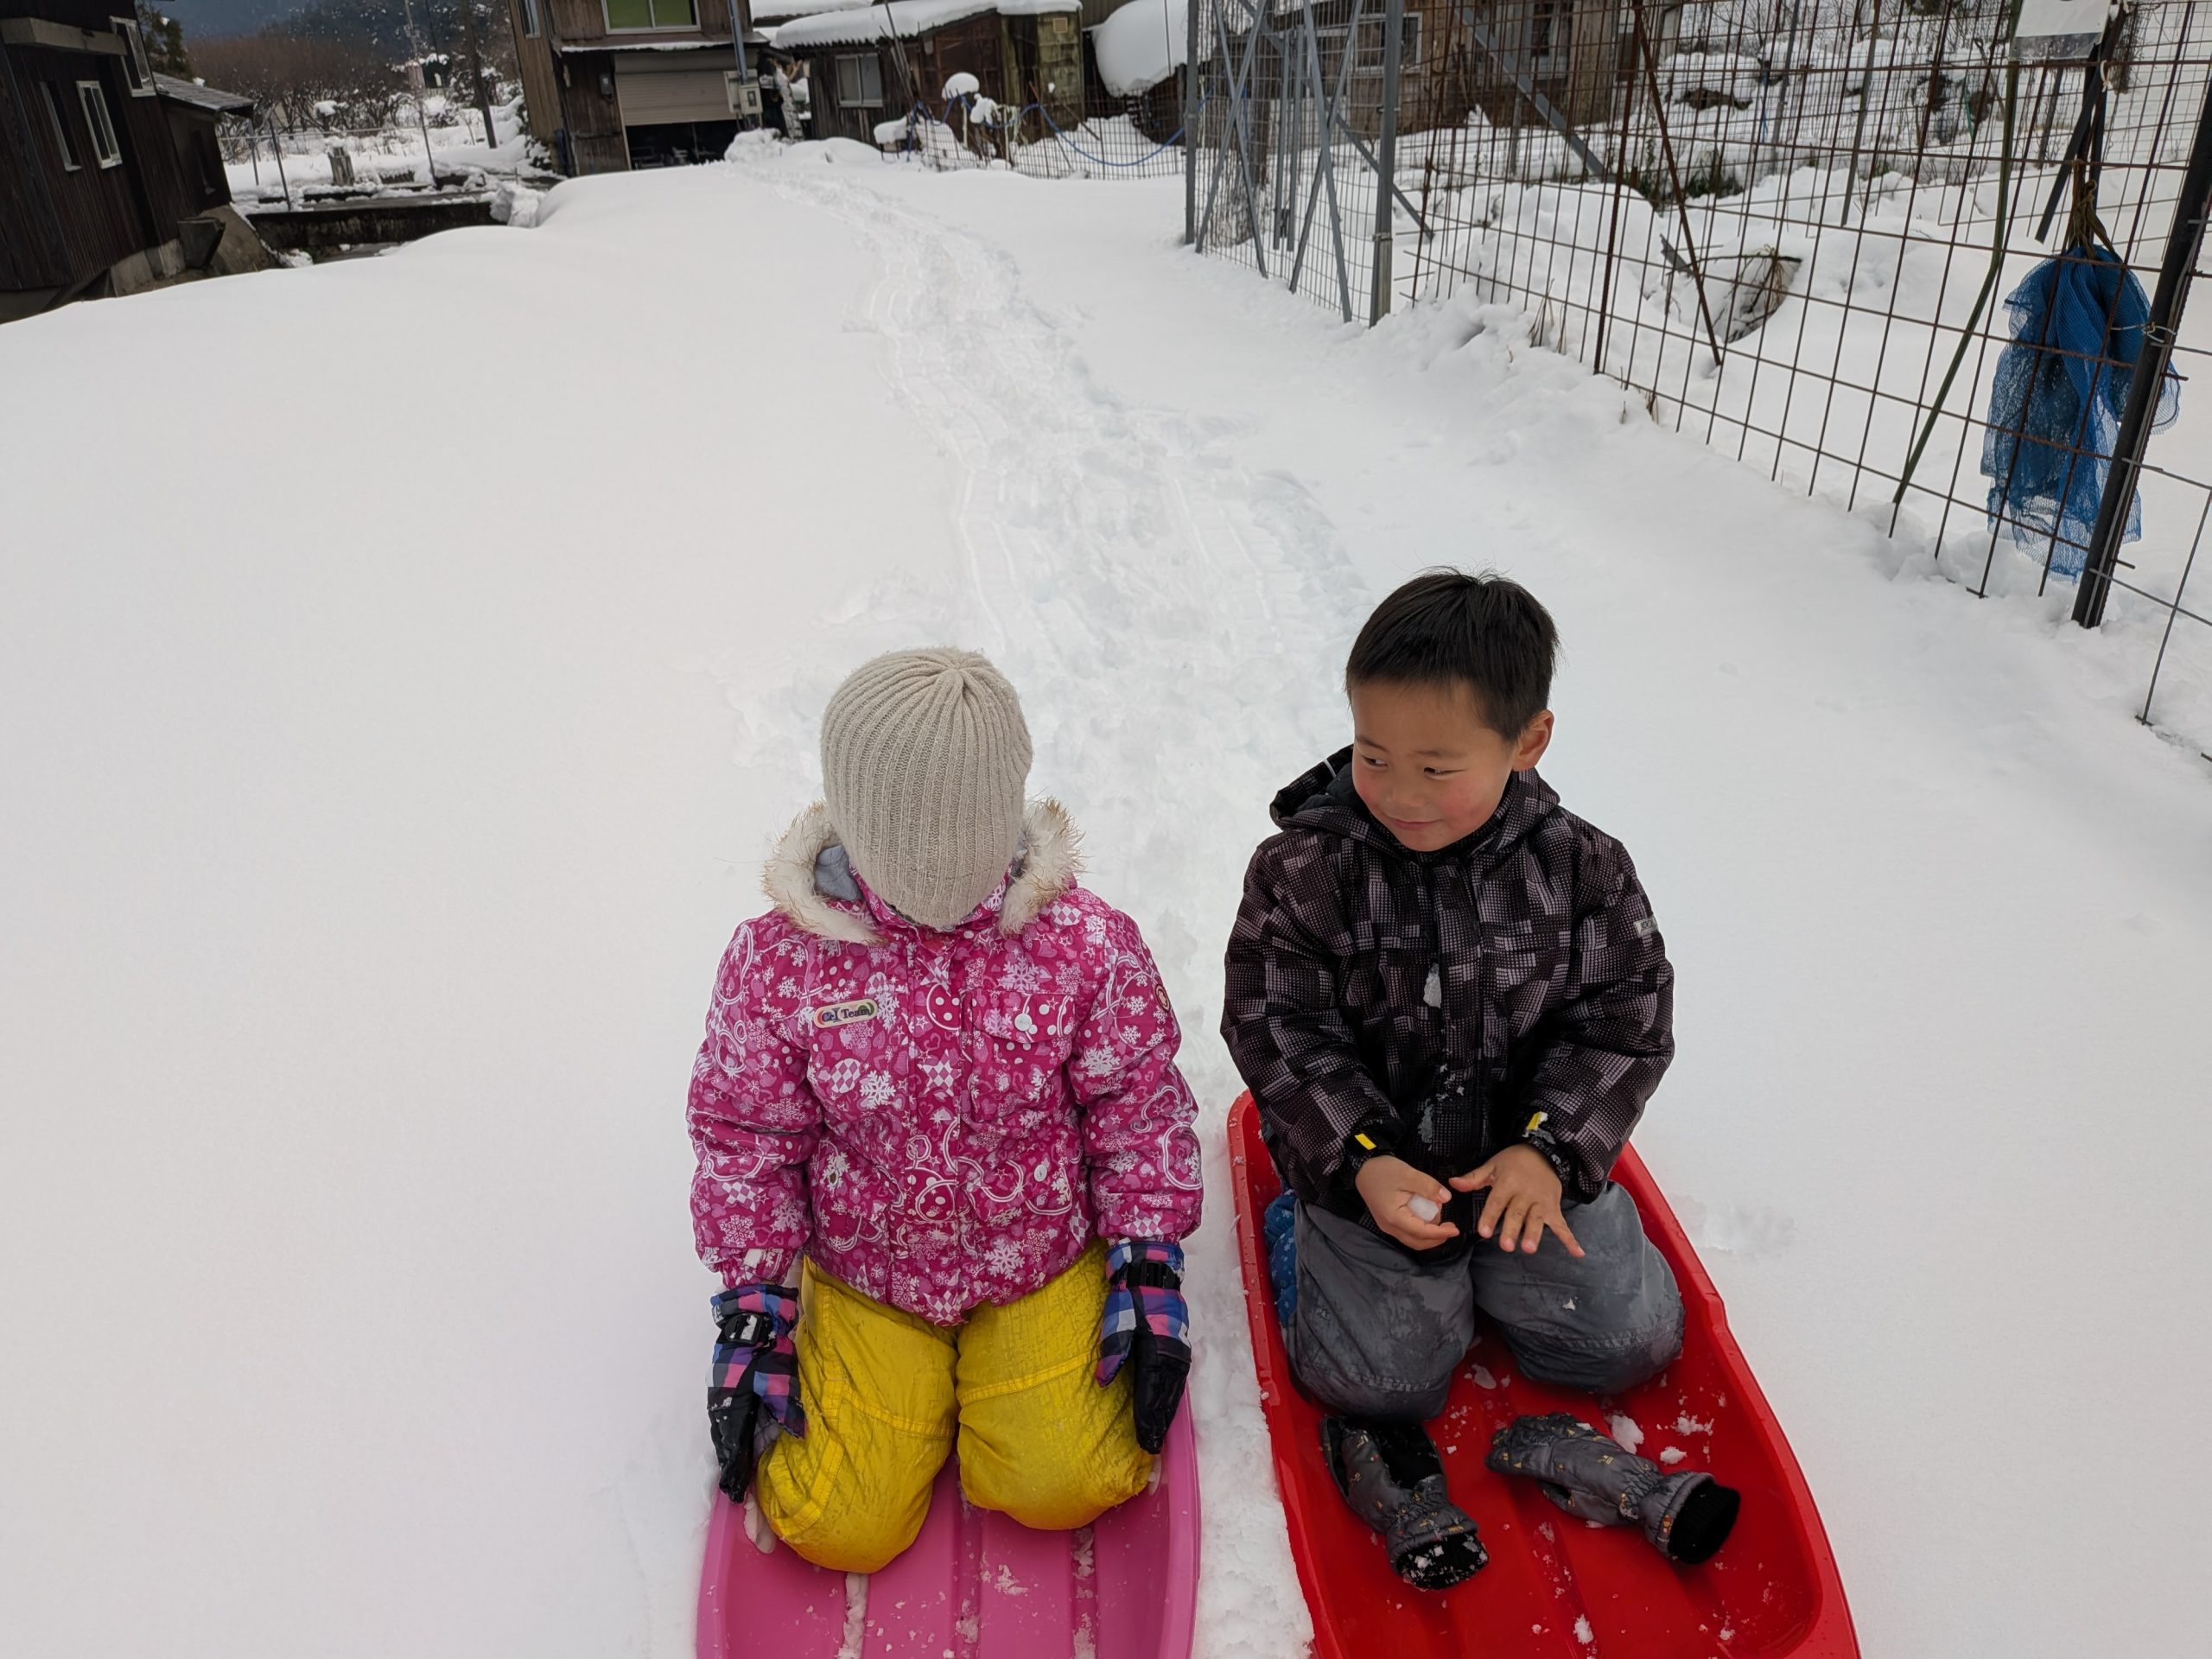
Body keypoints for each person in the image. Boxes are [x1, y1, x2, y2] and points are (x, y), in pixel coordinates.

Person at [1224, 570, 1699, 1590]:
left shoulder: (1582, 870)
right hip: (1373, 1168)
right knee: (1379, 1385)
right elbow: (1276, 1023)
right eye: (1372, 755)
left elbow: (1625, 1018)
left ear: (1527, 742)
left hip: (1522, 1168)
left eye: (1436, 767)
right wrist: (1360, 1158)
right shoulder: (1305, 869)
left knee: (1630, 1344)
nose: (1398, 792)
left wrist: (1547, 1147)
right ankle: (1303, 1239)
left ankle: (1506, 1251)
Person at [688, 647, 1204, 1573]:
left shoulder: (1081, 944)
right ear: (853, 820)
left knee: (1070, 1479)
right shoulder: (784, 962)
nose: (934, 873)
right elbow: (746, 1136)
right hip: (868, 1270)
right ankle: (910, 1395)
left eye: (961, 840)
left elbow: (1136, 1105)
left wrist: (1147, 1259)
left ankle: (1000, 1402)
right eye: (903, 842)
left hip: (1037, 1255)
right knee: (836, 1524)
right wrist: (754, 1302)